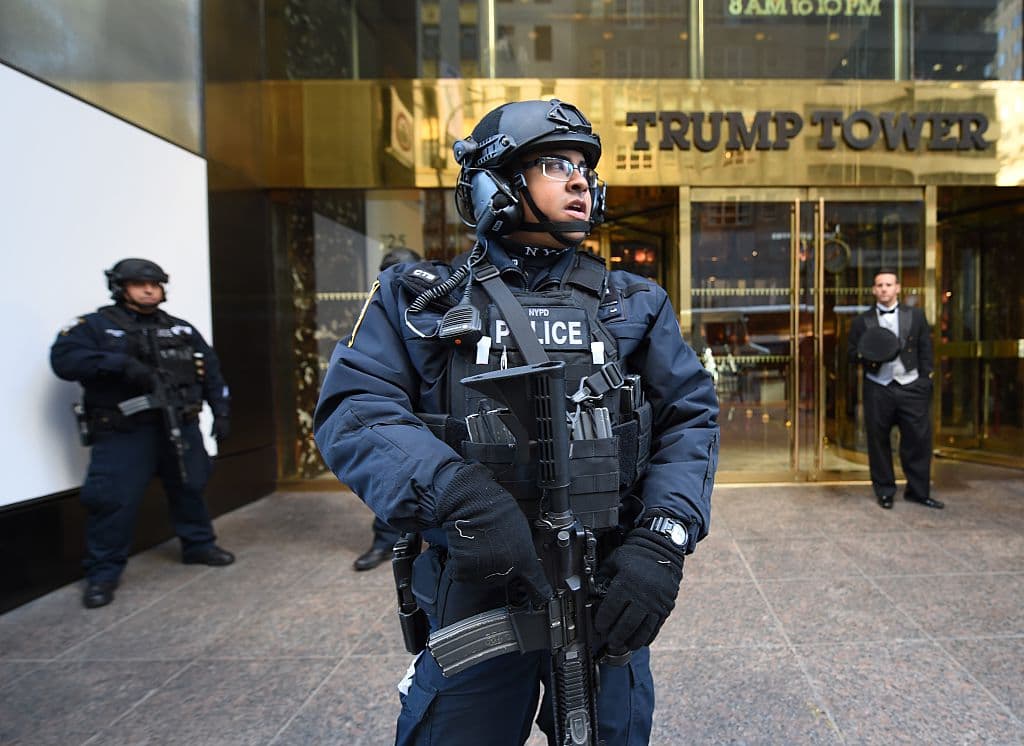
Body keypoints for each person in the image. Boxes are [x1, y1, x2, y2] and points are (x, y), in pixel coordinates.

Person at [315, 99, 718, 744]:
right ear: (494, 182)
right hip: (478, 579)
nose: (581, 179)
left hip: (607, 579)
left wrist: (661, 543)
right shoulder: (419, 300)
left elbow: (690, 419)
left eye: (586, 165)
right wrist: (458, 495)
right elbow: (353, 411)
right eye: (554, 162)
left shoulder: (635, 303)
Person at [51, 258, 235, 609]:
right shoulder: (96, 327)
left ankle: (198, 545)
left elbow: (211, 372)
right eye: (139, 284)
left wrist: (221, 412)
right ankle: (103, 573)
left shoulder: (179, 329)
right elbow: (64, 361)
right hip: (126, 430)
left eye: (155, 284)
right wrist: (118, 364)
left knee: (191, 485)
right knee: (113, 500)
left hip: (180, 423)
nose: (149, 290)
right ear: (121, 288)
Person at [352, 246, 423, 571]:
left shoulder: (434, 305)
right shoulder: (376, 311)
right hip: (394, 411)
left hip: (428, 411)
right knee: (391, 480)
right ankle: (386, 542)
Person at [848, 268, 942, 510]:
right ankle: (885, 491)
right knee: (878, 441)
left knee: (917, 440)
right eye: (879, 285)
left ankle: (918, 492)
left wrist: (924, 381)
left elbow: (925, 350)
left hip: (911, 385)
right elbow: (851, 354)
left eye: (889, 284)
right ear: (873, 290)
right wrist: (872, 359)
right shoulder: (862, 321)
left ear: (898, 288)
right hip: (879, 387)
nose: (884, 289)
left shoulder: (916, 316)